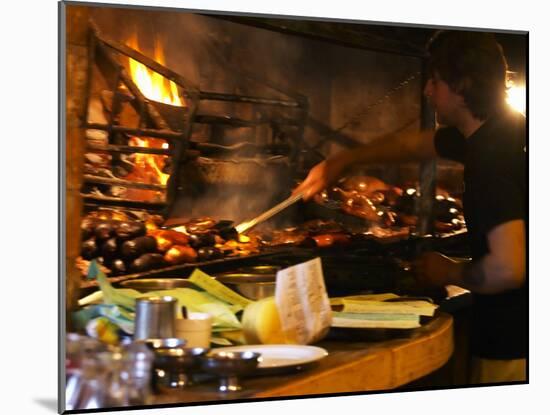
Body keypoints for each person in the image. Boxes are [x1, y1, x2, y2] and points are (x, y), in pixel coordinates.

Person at [293, 30, 526, 384]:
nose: (427, 91)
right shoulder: (503, 132)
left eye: (435, 81)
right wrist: (343, 161)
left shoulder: (493, 159)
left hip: (515, 346)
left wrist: (449, 271)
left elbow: (509, 269)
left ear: (462, 86)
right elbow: (412, 145)